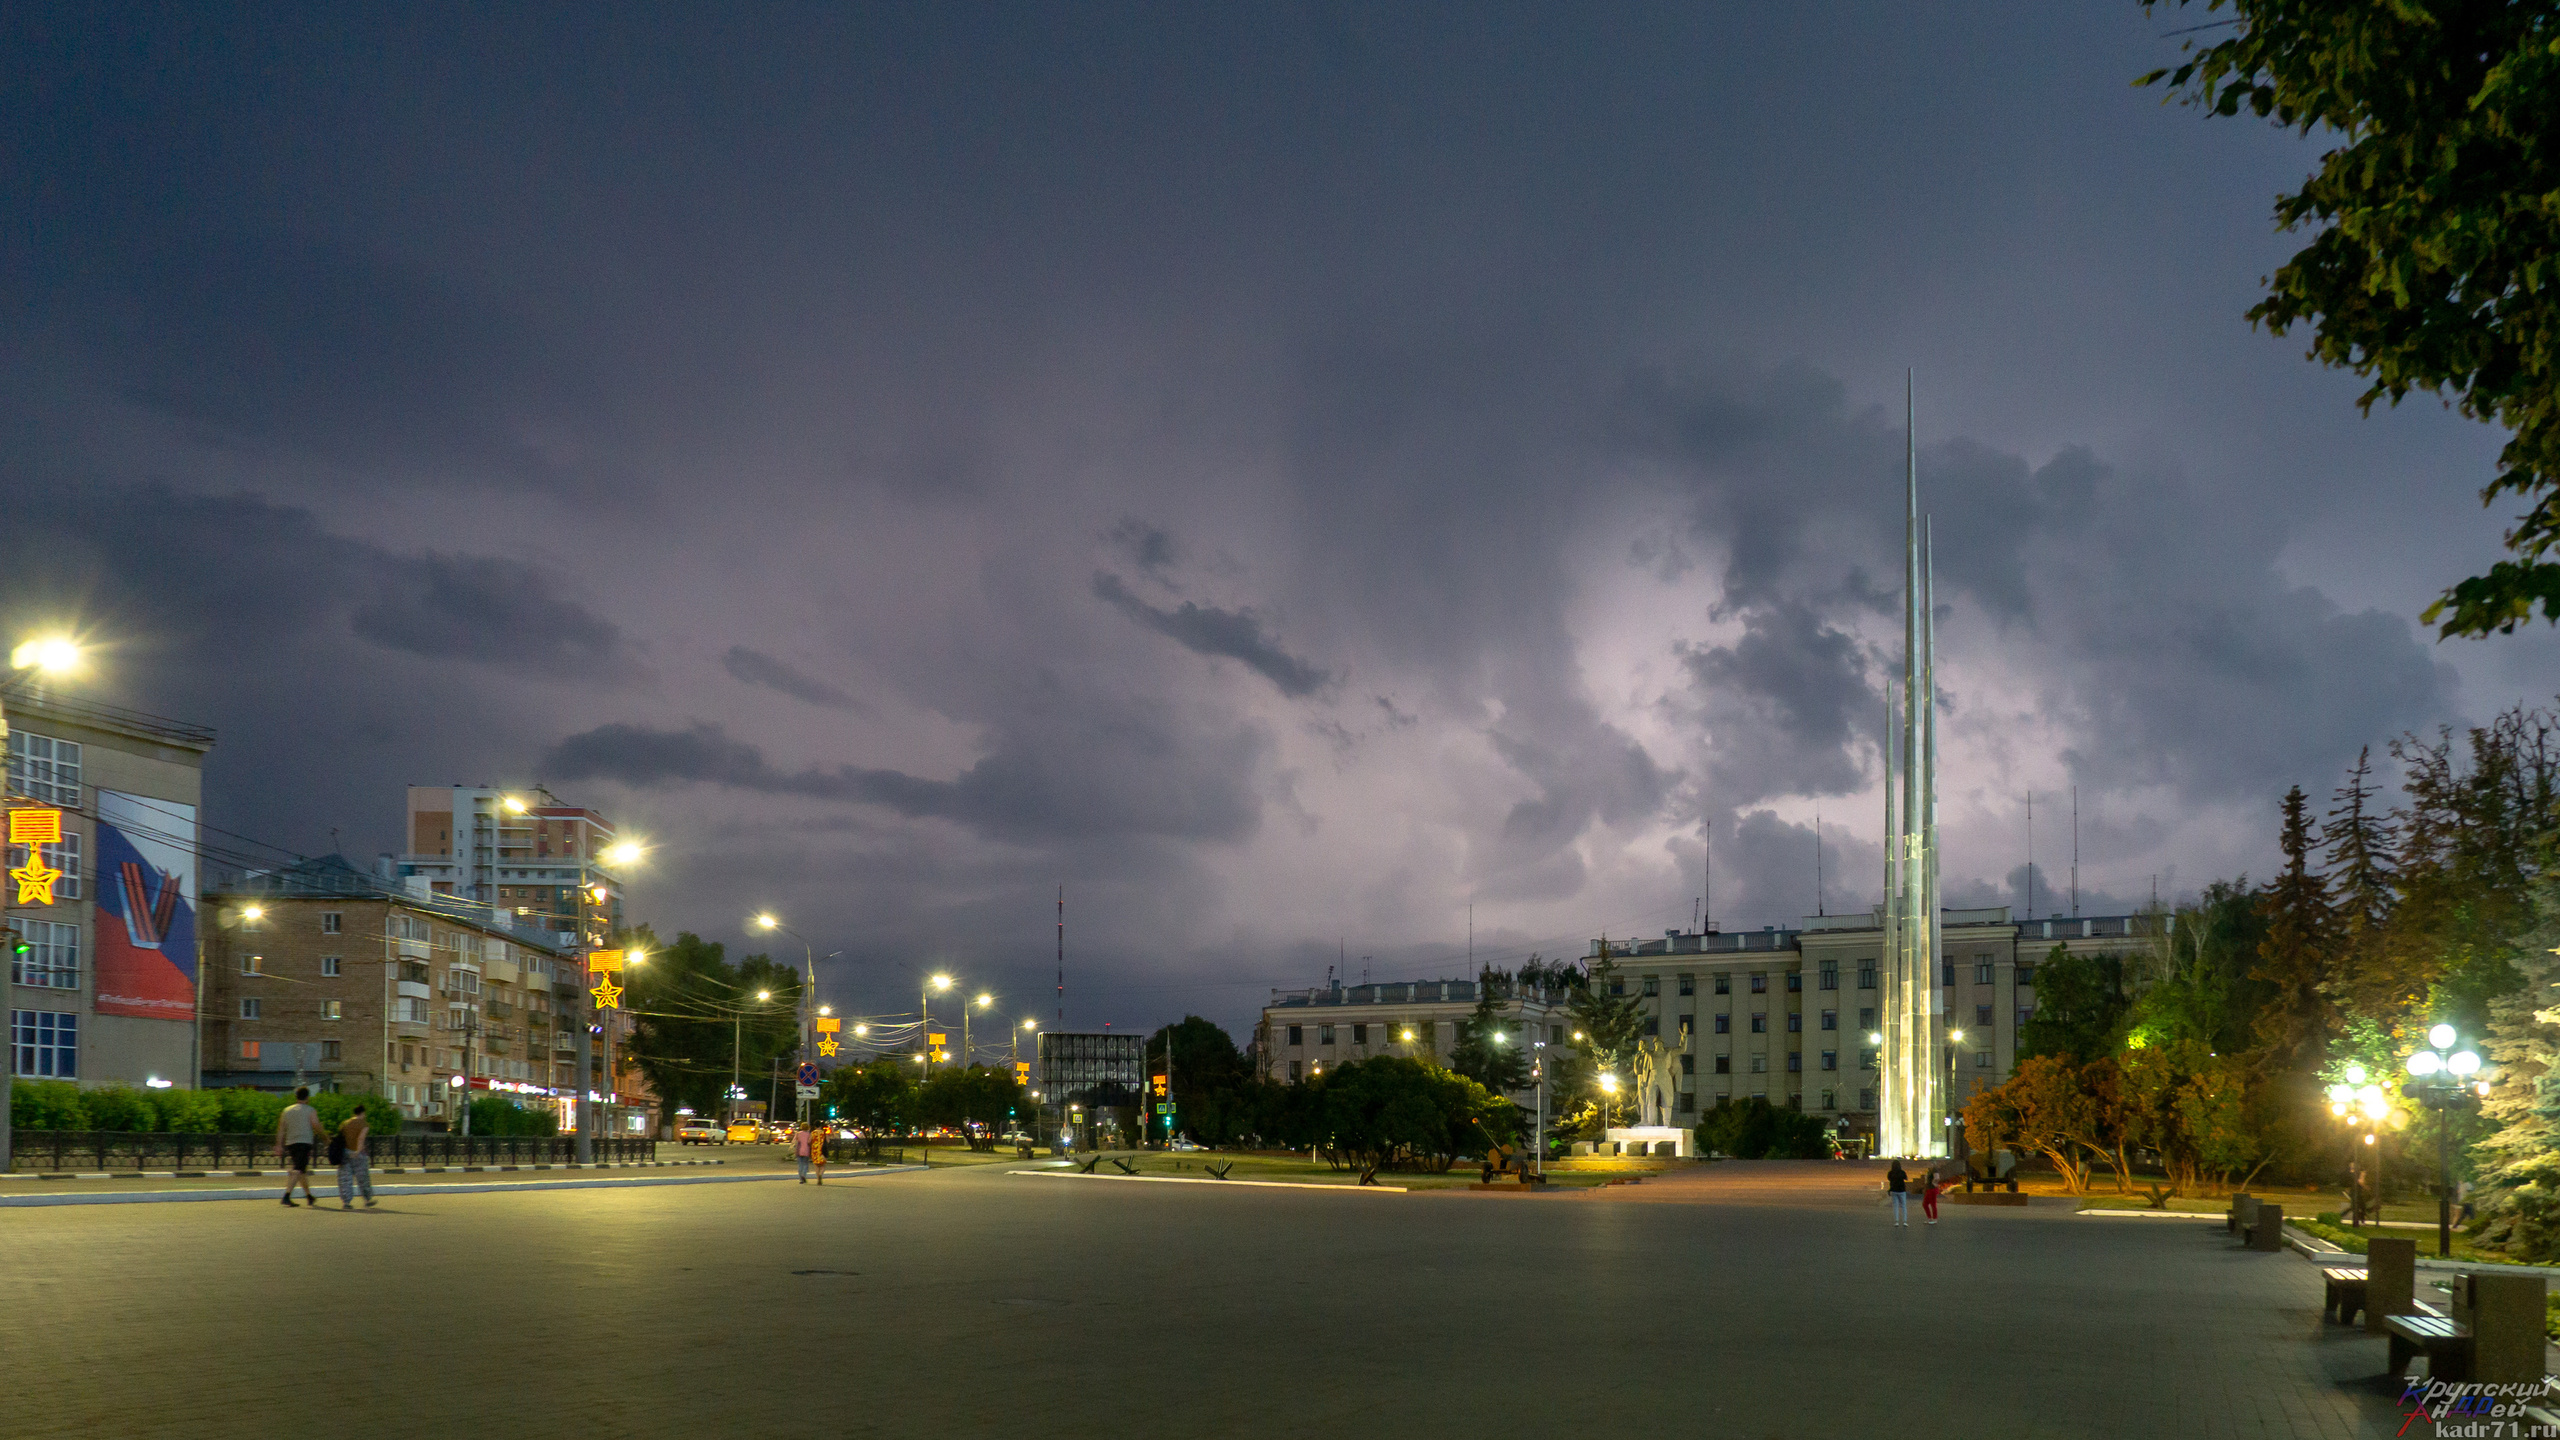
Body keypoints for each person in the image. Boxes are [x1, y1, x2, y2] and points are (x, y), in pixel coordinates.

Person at [276, 1087, 324, 1208]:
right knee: (298, 1169)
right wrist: (326, 1138)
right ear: (307, 1097)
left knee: (301, 1170)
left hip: (291, 1143)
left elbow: (281, 1129)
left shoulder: (286, 1110)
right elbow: (316, 1125)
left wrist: (278, 1144)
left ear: (296, 1097)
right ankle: (286, 1196)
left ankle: (309, 1196)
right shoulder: (310, 1110)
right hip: (304, 1142)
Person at [334, 1104, 376, 1210]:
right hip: (358, 1154)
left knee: (345, 1179)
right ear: (363, 1113)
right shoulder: (364, 1124)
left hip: (345, 1153)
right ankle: (367, 1200)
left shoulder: (345, 1123)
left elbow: (340, 1138)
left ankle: (346, 1202)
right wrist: (358, 1151)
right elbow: (361, 1138)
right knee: (363, 1178)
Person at [1886, 1160, 1910, 1227]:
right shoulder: (1902, 1172)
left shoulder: (1890, 1173)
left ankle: (1896, 1221)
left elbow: (1889, 1179)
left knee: (1895, 1206)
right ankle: (1904, 1221)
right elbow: (1906, 1178)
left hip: (1894, 1190)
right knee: (1903, 1206)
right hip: (1902, 1190)